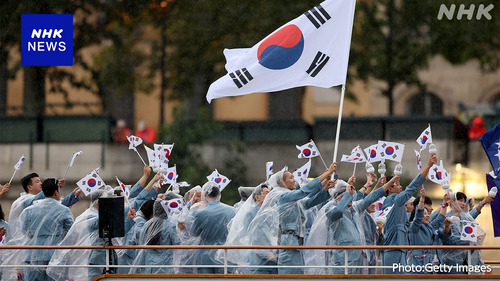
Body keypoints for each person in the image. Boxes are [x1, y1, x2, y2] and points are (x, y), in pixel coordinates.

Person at [382, 153, 437, 274]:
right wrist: (427, 166)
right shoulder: (396, 201)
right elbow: (411, 188)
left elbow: (418, 219)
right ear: (389, 189)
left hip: (401, 250)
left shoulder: (395, 204)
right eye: (397, 184)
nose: (400, 186)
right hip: (394, 251)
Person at [20, 178, 74, 280]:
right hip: (55, 254)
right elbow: (71, 232)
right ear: (56, 192)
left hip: (33, 253)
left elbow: (24, 230)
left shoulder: (29, 210)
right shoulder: (64, 210)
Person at [188, 182, 236, 274]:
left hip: (206, 255)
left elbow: (194, 233)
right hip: (225, 254)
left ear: (205, 195)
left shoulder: (201, 213)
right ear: (219, 194)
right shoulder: (232, 210)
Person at [131, 199, 180, 274]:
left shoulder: (146, 225)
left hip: (149, 263)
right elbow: (178, 244)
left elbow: (141, 242)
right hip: (165, 265)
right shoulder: (170, 226)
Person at [407, 189, 449, 273]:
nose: (428, 216)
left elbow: (440, 219)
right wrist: (422, 198)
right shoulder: (414, 227)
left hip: (429, 264)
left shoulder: (429, 226)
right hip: (417, 265)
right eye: (425, 214)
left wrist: (445, 202)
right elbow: (418, 216)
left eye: (428, 214)